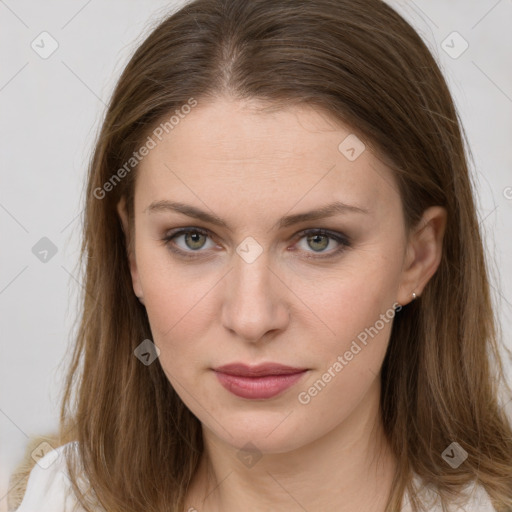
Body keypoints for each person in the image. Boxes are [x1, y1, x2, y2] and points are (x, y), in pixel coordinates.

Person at [13, 0, 512, 510]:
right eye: (193, 238)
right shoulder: (53, 497)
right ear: (131, 255)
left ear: (418, 256)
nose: (251, 318)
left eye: (319, 239)